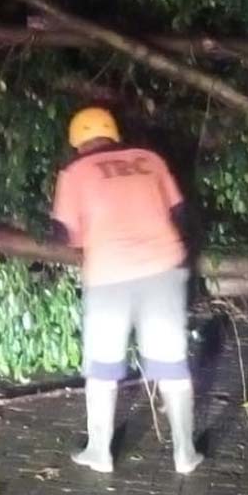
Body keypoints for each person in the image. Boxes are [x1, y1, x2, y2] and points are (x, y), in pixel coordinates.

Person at [50, 106, 204, 475]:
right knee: (171, 364)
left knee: (102, 367)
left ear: (77, 143)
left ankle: (99, 452)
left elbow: (61, 234)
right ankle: (186, 454)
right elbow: (182, 213)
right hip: (164, 268)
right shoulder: (149, 159)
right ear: (114, 134)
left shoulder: (74, 173)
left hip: (108, 276)